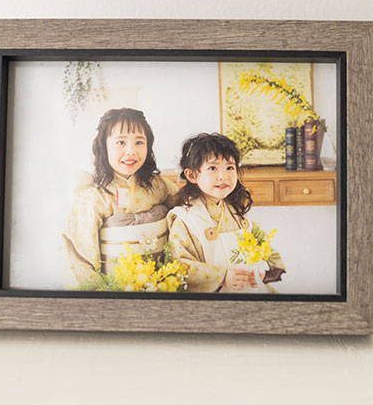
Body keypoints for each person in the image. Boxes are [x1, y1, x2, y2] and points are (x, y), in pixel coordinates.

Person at [63, 108, 178, 284]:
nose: (131, 151)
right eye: (121, 142)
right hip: (115, 285)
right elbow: (80, 255)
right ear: (104, 146)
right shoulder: (93, 198)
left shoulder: (159, 186)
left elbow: (182, 219)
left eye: (139, 142)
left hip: (160, 282)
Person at [167, 133, 286, 293]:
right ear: (192, 175)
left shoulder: (236, 211)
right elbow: (180, 265)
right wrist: (222, 277)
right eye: (213, 168)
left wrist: (261, 271)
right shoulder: (185, 219)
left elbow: (263, 250)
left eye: (230, 167)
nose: (223, 176)